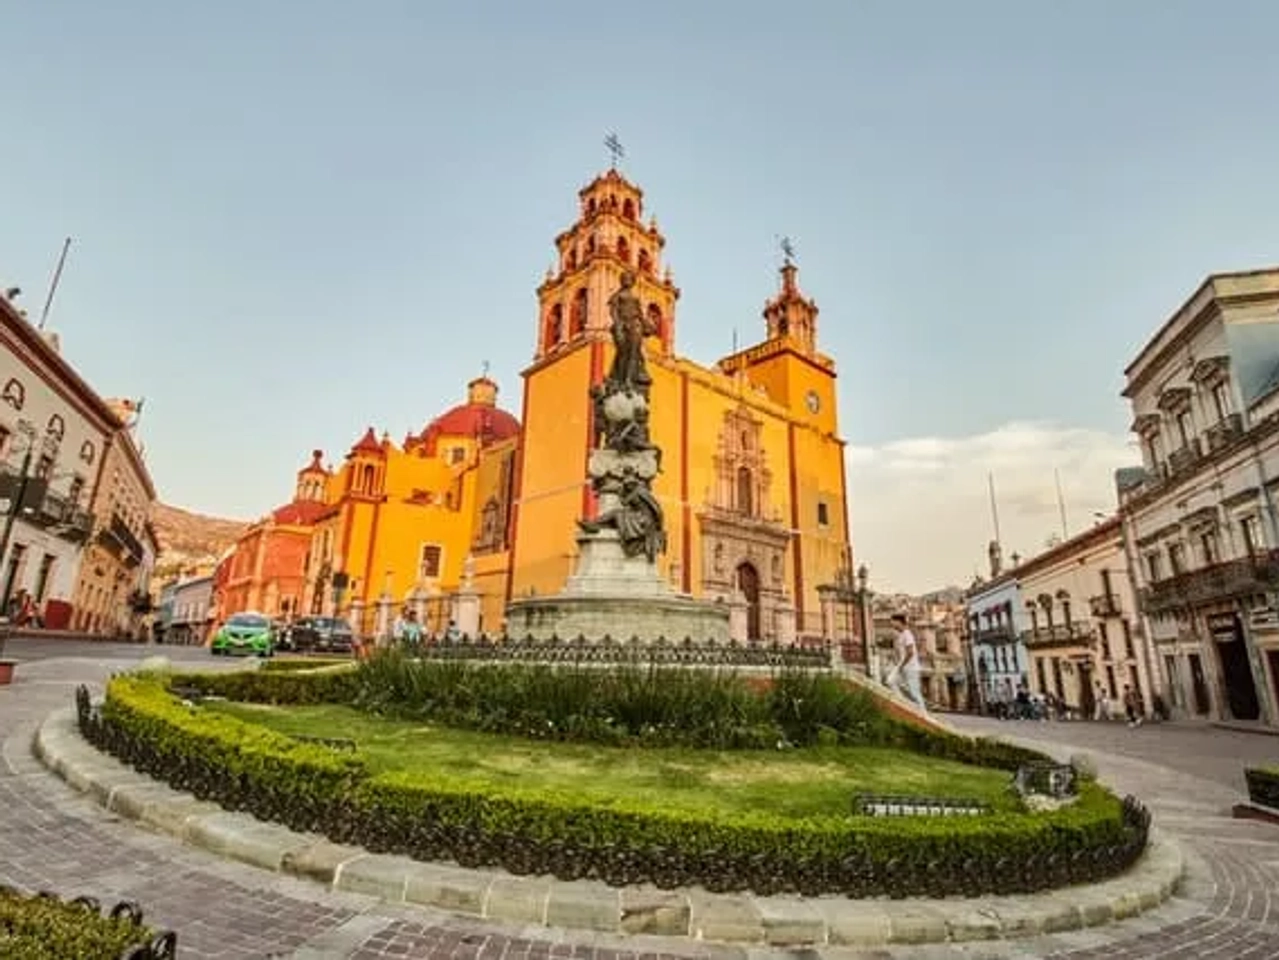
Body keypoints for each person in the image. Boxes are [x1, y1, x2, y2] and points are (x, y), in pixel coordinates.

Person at [890, 613, 926, 711]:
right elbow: (900, 652)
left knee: (914, 692)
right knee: (891, 681)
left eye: (892, 621)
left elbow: (910, 652)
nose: (891, 623)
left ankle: (923, 713)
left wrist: (901, 665)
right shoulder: (901, 635)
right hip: (904, 666)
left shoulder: (907, 634)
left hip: (911, 668)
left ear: (898, 622)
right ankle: (904, 704)